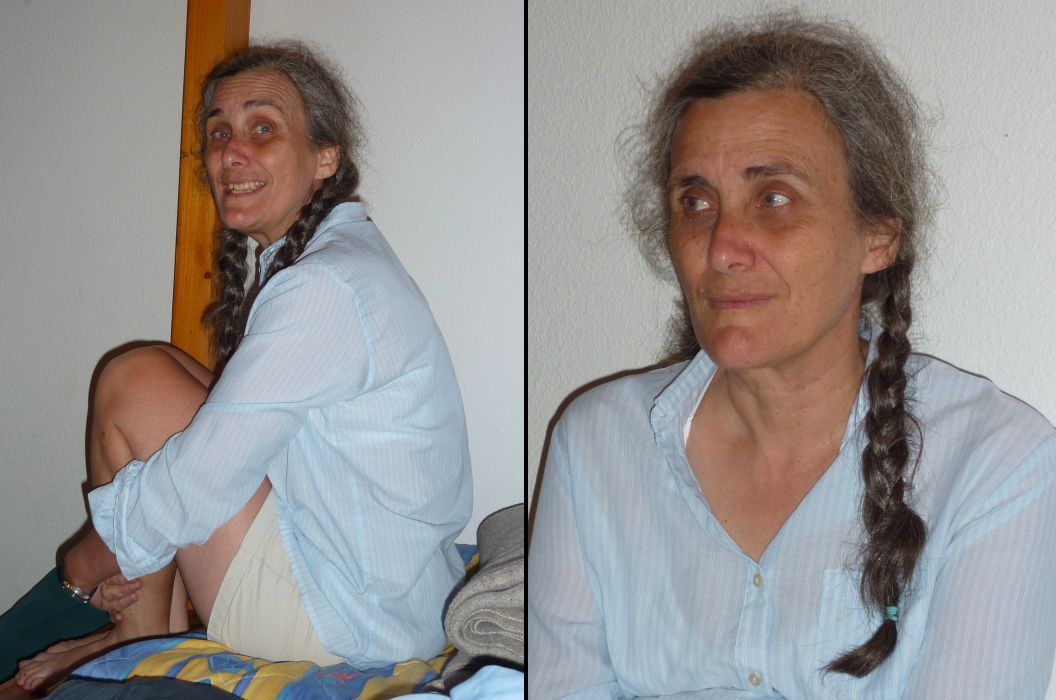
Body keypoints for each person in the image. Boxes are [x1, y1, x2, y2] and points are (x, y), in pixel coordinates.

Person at [527, 15, 1056, 699]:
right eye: (696, 201)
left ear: (877, 237)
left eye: (773, 199)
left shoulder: (994, 464)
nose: (721, 247)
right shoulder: (596, 444)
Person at [13, 41, 472, 691]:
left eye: (263, 129)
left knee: (133, 380)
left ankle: (136, 637)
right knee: (165, 369)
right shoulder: (335, 262)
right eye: (219, 132)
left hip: (351, 626)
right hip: (392, 599)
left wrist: (81, 569)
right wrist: (124, 545)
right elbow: (232, 443)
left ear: (325, 157)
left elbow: (196, 481)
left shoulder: (325, 286)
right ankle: (142, 632)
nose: (232, 152)